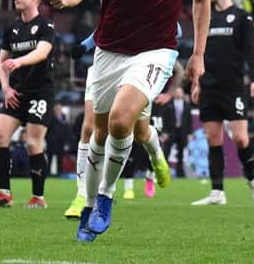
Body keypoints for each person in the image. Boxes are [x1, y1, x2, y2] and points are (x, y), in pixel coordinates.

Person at [49, 0, 210, 241]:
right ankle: (88, 204)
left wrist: (198, 54)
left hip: (157, 51)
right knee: (98, 131)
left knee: (122, 121)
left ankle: (105, 198)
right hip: (109, 51)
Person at [63, 28, 178, 218]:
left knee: (141, 134)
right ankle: (82, 195)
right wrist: (85, 45)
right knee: (90, 127)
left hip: (140, 66)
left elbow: (174, 27)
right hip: (105, 62)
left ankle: (156, 156)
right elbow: (106, 24)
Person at [191, 0, 254, 206]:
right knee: (213, 139)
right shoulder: (206, 17)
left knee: (241, 139)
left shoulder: (242, 17)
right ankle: (217, 192)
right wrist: (195, 82)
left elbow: (250, 53)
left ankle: (252, 180)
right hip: (209, 86)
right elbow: (198, 53)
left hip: (233, 87)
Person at [0, 0, 56, 209]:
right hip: (16, 93)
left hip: (39, 93)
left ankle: (38, 198)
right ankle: (4, 193)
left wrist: (19, 61)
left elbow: (42, 53)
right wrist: (5, 87)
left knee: (33, 143)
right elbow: (1, 62)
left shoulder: (46, 26)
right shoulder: (11, 29)